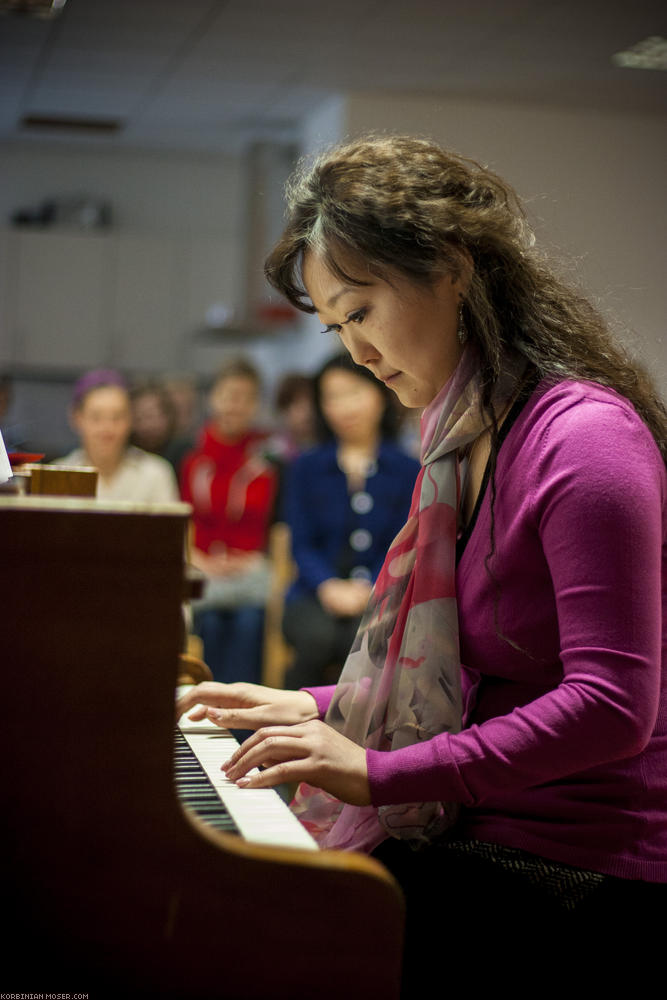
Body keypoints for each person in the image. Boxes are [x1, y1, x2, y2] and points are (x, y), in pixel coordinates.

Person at [176, 136, 666, 983]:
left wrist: (377, 773)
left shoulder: (582, 440)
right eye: (335, 327)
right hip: (486, 826)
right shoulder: (463, 435)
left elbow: (612, 705)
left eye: (360, 313)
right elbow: (459, 674)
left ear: (450, 266)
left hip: (579, 863)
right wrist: (309, 702)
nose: (354, 354)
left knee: (273, 943)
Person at [282, 352, 419, 688]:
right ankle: (289, 729)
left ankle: (353, 738)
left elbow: (405, 543)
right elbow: (301, 543)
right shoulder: (306, 466)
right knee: (316, 638)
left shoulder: (406, 469)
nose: (344, 407)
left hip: (381, 596)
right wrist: (328, 586)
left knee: (360, 644)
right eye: (332, 398)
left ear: (381, 394)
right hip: (312, 594)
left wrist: (370, 587)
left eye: (354, 393)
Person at [180, 359, 278, 684]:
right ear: (213, 399)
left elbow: (274, 532)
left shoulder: (268, 463)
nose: (235, 405)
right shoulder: (189, 458)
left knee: (250, 623)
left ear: (256, 405)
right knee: (209, 623)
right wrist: (200, 559)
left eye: (245, 397)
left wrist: (247, 560)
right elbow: (180, 522)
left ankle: (238, 724)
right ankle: (204, 713)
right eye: (228, 395)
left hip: (247, 573)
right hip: (200, 569)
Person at [58, 368, 179, 502]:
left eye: (117, 417)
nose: (107, 428)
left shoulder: (155, 473)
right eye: (96, 418)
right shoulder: (57, 475)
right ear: (77, 418)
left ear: (131, 418)